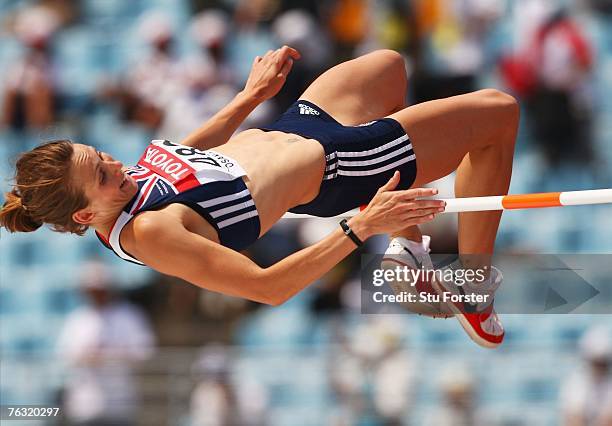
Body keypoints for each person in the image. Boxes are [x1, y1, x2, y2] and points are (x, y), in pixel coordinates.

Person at [1, 47, 519, 348]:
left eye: (101, 155)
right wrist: (361, 228)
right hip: (339, 165)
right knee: (498, 114)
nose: (116, 164)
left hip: (302, 125)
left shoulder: (125, 189)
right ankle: (474, 288)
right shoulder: (150, 232)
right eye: (102, 174)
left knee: (387, 66)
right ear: (87, 214)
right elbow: (269, 289)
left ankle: (408, 252)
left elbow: (186, 151)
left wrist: (250, 97)